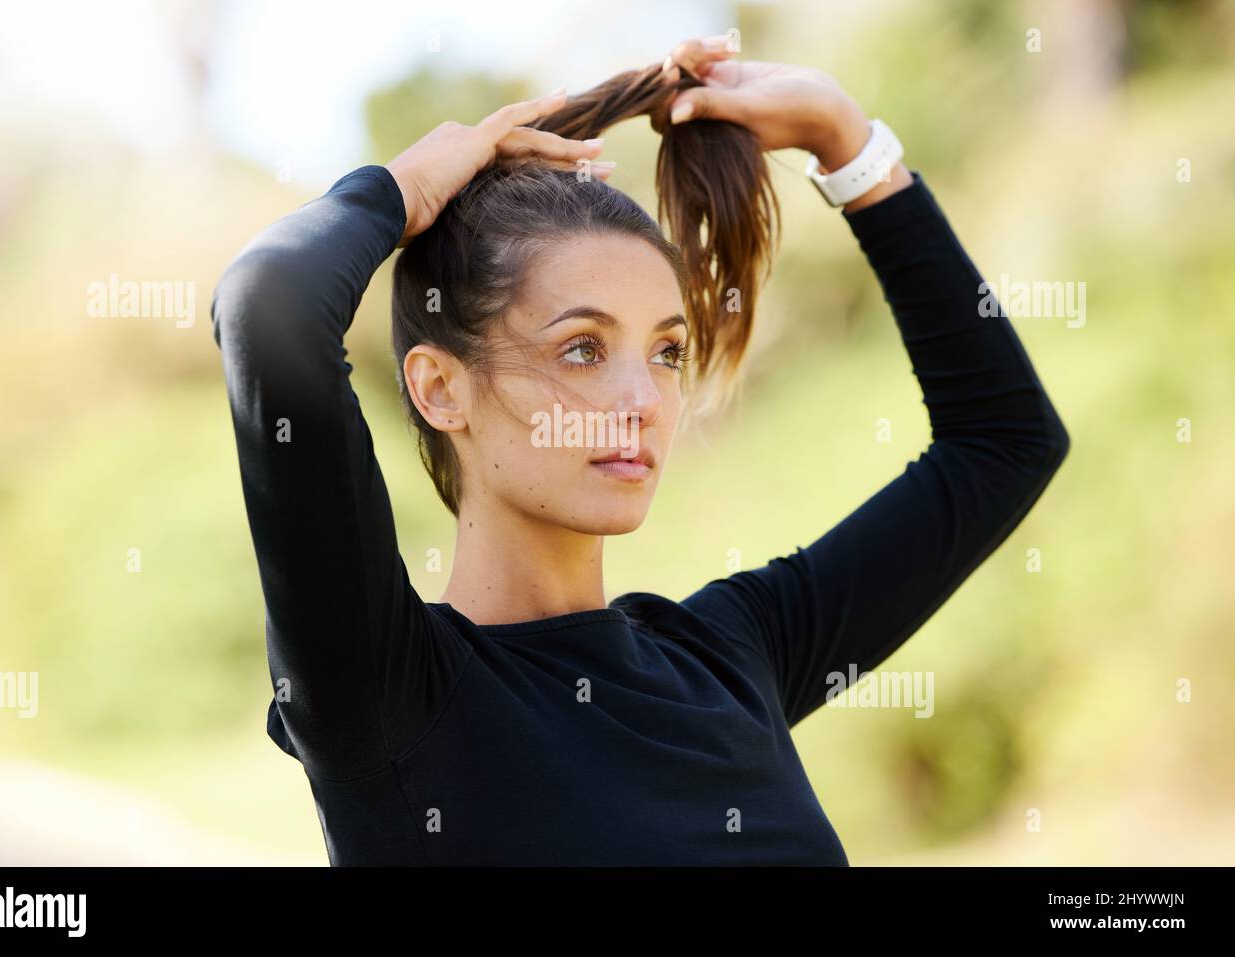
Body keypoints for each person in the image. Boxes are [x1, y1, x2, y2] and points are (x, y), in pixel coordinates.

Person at [210, 35, 1070, 865]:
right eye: (583, 348)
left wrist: (846, 143)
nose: (643, 402)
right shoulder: (385, 690)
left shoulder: (733, 654)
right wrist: (406, 185)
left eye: (666, 351)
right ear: (440, 388)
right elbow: (269, 302)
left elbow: (1004, 443)